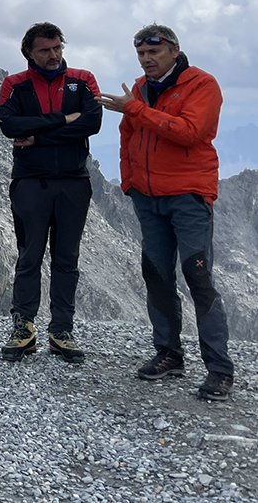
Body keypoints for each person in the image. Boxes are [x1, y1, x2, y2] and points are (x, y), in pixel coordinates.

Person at [97, 24, 234, 401]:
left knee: (198, 276)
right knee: (156, 275)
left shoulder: (201, 84)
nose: (146, 60)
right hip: (148, 197)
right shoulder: (140, 89)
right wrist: (129, 182)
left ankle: (220, 369)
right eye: (141, 54)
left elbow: (190, 132)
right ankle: (169, 354)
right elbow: (129, 135)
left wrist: (136, 109)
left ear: (174, 51)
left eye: (153, 54)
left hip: (188, 196)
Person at [0, 22, 101, 363]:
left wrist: (39, 135)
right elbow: (10, 126)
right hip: (30, 181)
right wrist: (64, 120)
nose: (54, 55)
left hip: (74, 180)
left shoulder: (84, 79)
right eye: (45, 50)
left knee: (66, 257)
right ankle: (23, 327)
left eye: (57, 48)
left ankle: (61, 330)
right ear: (29, 52)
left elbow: (92, 124)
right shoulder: (14, 85)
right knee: (29, 255)